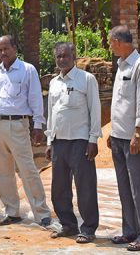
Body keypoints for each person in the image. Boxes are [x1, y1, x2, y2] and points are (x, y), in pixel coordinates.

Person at [0, 35, 51, 227]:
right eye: (0, 50)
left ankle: (41, 213)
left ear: (15, 48)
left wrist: (38, 125)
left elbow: (36, 99)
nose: (3, 53)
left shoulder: (27, 70)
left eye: (6, 48)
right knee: (1, 171)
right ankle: (12, 211)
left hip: (18, 125)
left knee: (28, 170)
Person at [108, 25, 140, 252]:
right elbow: (120, 104)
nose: (110, 46)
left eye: (111, 42)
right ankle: (130, 230)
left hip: (134, 139)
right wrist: (111, 131)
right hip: (118, 137)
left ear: (119, 41)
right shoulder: (120, 66)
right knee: (124, 188)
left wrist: (137, 134)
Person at [45, 42, 101, 244]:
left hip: (80, 140)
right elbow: (51, 113)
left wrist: (93, 139)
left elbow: (95, 110)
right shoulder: (53, 83)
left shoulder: (86, 79)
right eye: (58, 56)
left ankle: (88, 228)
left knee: (85, 186)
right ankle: (68, 224)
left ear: (73, 56)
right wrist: (50, 140)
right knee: (59, 188)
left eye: (65, 56)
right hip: (59, 141)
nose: (61, 59)